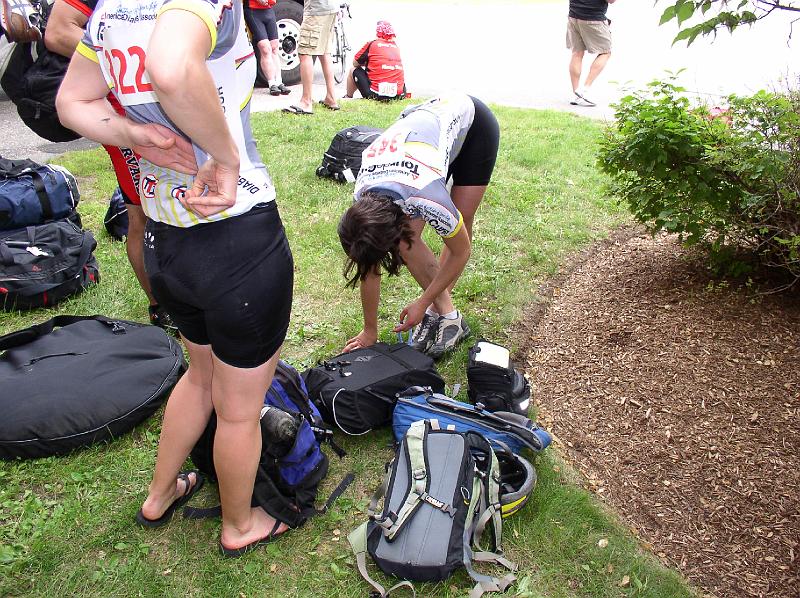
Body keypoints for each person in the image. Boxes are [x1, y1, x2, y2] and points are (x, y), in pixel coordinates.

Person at [56, 0, 294, 556]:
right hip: (235, 238)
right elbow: (169, 68)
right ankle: (239, 525)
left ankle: (160, 495)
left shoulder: (111, 9)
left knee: (201, 375)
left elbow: (72, 101)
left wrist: (131, 133)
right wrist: (225, 156)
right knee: (239, 410)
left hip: (165, 239)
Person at [45, 0, 191, 329]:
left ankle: (193, 296)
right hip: (125, 114)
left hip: (173, 103)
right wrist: (119, 50)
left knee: (187, 201)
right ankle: (160, 306)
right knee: (143, 213)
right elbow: (57, 31)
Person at [337, 94, 499, 359]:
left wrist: (423, 303)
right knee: (405, 241)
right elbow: (369, 267)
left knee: (460, 217)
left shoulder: (425, 196)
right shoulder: (363, 195)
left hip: (473, 128)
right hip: (420, 147)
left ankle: (445, 317)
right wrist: (369, 330)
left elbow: (461, 251)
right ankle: (446, 313)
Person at [283, 0, 338, 115]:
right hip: (330, 8)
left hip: (316, 10)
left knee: (305, 53)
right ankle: (331, 98)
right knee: (324, 51)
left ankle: (306, 102)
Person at [567, 0, 617, 107]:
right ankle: (584, 89)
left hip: (573, 16)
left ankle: (576, 94)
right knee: (605, 52)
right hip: (593, 18)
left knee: (577, 53)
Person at [343, 20, 405, 101]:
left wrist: (369, 63)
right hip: (399, 95)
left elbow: (355, 63)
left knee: (353, 70)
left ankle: (348, 96)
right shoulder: (395, 46)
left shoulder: (372, 44)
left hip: (375, 94)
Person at [243, 0, 290, 96]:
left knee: (274, 47)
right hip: (253, 10)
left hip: (268, 10)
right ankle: (272, 83)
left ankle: (279, 82)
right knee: (265, 48)